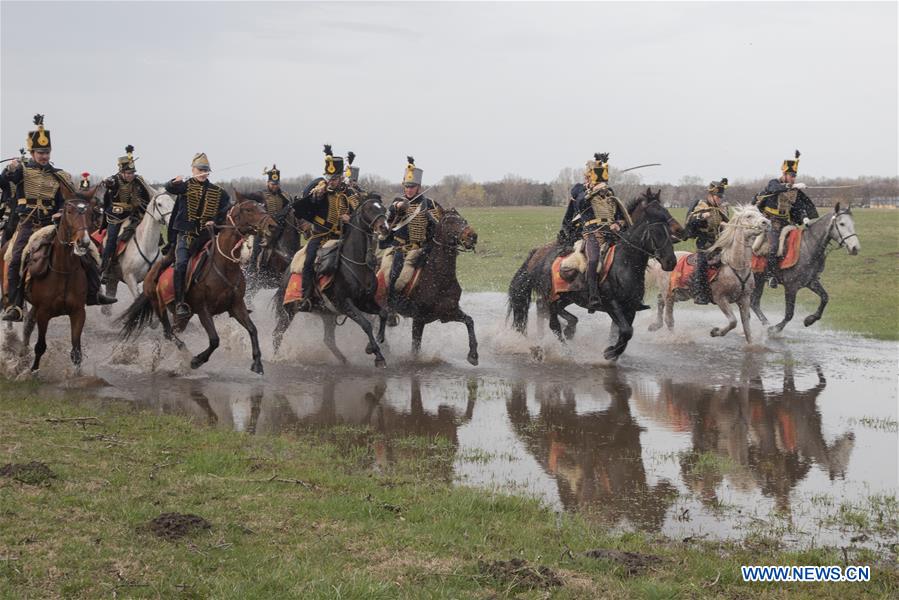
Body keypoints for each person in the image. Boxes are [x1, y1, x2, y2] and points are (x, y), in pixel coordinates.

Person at [0, 115, 115, 321]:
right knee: (16, 257)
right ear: (32, 152)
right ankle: (15, 305)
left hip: (49, 224)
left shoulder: (59, 175)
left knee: (89, 252)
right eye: (40, 152)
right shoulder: (22, 171)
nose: (44, 156)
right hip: (27, 224)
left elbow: (68, 200)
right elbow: (6, 180)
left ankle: (94, 292)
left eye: (47, 152)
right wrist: (10, 169)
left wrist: (61, 212)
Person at [289, 145, 360, 311]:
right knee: (308, 262)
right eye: (328, 177)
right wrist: (317, 192)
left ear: (341, 178)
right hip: (320, 236)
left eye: (334, 178)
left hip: (342, 237)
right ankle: (305, 297)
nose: (331, 181)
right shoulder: (320, 188)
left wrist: (350, 218)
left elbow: (358, 211)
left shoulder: (349, 193)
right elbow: (312, 198)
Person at [163, 153, 231, 318]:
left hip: (206, 236)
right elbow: (169, 188)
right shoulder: (184, 186)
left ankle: (232, 298)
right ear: (193, 170)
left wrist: (213, 221)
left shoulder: (218, 192)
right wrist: (174, 181)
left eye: (206, 170)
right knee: (181, 265)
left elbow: (224, 209)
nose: (203, 173)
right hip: (186, 235)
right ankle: (180, 302)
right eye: (200, 170)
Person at [381, 156, 441, 305]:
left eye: (412, 187)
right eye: (406, 186)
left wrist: (430, 216)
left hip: (422, 248)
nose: (409, 190)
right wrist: (398, 208)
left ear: (418, 187)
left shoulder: (430, 203)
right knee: (395, 276)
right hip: (401, 249)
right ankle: (392, 303)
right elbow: (387, 221)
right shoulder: (398, 201)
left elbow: (439, 223)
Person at [753, 150, 818, 288]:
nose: (793, 178)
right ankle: (770, 275)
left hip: (786, 222)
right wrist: (791, 186)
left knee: (802, 244)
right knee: (773, 247)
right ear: (784, 174)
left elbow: (798, 206)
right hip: (771, 222)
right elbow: (774, 188)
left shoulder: (794, 191)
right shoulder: (774, 183)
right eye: (791, 175)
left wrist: (805, 218)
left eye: (795, 176)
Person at [575, 153, 631, 310]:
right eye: (595, 179)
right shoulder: (580, 192)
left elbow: (620, 215)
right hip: (593, 233)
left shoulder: (609, 194)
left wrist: (618, 224)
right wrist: (592, 191)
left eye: (602, 180)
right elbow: (579, 203)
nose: (601, 184)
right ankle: (593, 296)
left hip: (612, 234)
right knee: (593, 261)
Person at [100, 145, 153, 282]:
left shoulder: (138, 180)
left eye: (132, 173)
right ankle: (106, 268)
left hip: (134, 214)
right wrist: (107, 183)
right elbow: (109, 185)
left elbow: (148, 193)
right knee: (111, 239)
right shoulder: (114, 180)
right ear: (121, 172)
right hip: (116, 216)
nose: (130, 176)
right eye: (128, 173)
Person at [685, 179, 730, 304]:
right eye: (718, 196)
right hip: (705, 244)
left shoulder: (722, 208)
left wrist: (725, 225)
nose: (720, 199)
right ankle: (699, 293)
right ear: (710, 195)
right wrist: (701, 217)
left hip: (720, 243)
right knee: (702, 264)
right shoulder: (701, 205)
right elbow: (691, 221)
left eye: (721, 197)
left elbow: (724, 222)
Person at [245, 164, 293, 272]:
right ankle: (252, 270)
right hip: (264, 228)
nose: (275, 186)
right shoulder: (261, 194)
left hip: (280, 227)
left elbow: (289, 207)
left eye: (277, 184)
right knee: (256, 248)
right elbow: (249, 198)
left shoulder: (284, 195)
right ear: (268, 183)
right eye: (272, 184)